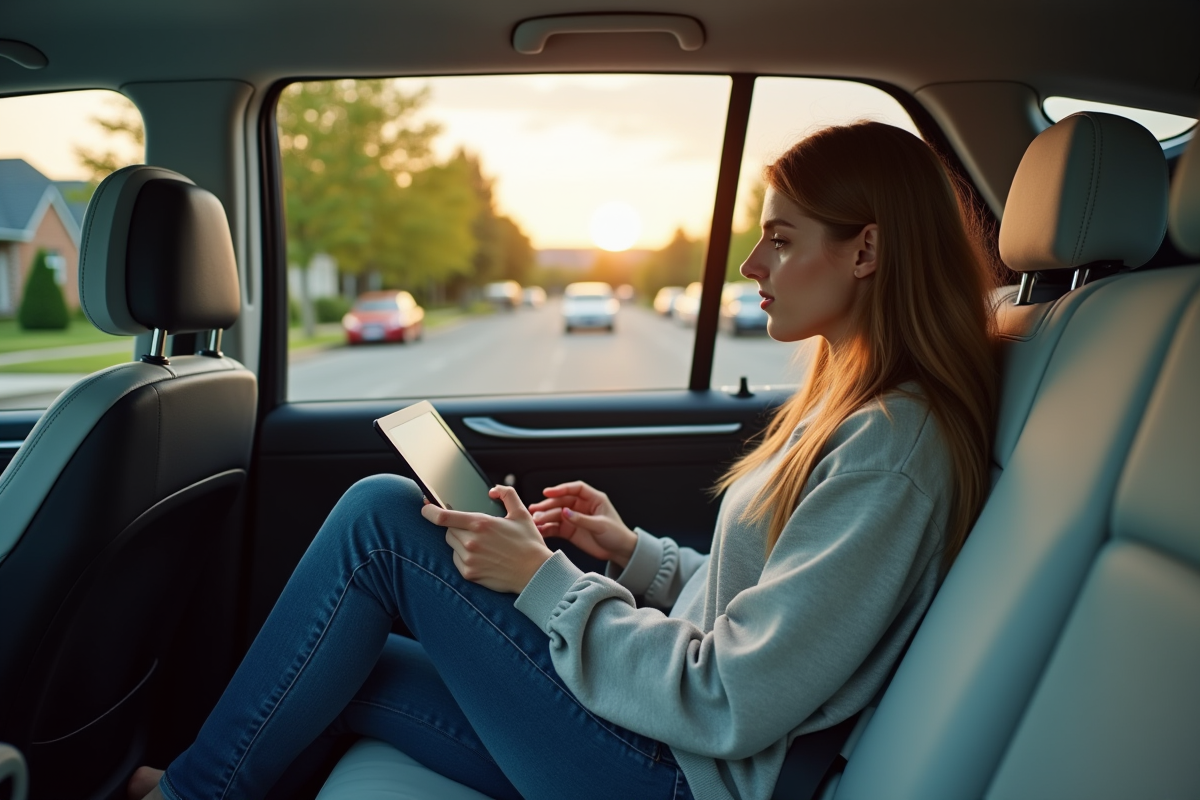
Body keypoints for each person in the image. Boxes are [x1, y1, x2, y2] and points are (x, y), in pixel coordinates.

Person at [129, 121, 997, 800]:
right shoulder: (852, 411)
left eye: (781, 238)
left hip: (679, 777)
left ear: (866, 251)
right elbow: (768, 612)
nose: (751, 263)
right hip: (667, 750)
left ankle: (187, 796)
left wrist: (544, 580)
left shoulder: (890, 450)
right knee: (343, 659)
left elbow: (730, 697)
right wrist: (638, 557)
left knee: (383, 522)